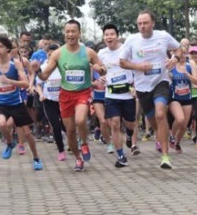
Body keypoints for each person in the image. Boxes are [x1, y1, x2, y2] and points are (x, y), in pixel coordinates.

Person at [38, 19, 106, 172]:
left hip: (83, 92)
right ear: (64, 34)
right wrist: (35, 70)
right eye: (67, 31)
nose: (70, 34)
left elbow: (103, 69)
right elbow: (44, 76)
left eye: (73, 31)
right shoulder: (58, 53)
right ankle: (78, 158)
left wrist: (99, 69)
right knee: (69, 131)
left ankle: (84, 143)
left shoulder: (88, 52)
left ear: (79, 33)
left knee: (80, 119)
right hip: (65, 95)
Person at [119, 10, 181, 169]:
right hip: (142, 87)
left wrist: (175, 59)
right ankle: (163, 139)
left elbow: (179, 49)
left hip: (161, 81)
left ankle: (166, 157)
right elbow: (122, 62)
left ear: (152, 23)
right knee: (154, 122)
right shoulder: (132, 40)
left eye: (145, 23)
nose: (142, 26)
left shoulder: (163, 36)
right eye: (139, 23)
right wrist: (138, 66)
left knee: (161, 114)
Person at [0, 34, 43, 170]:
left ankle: (36, 158)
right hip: (1, 102)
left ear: (8, 48)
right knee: (1, 124)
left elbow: (26, 84)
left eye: (1, 47)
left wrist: (10, 81)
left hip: (16, 103)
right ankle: (10, 143)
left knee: (27, 133)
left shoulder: (16, 63)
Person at [98, 24, 140, 168]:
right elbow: (100, 70)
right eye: (106, 35)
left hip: (127, 93)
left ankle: (129, 134)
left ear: (117, 36)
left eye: (112, 34)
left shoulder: (126, 50)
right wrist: (101, 77)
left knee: (130, 124)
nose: (109, 37)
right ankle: (121, 156)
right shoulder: (101, 53)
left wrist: (135, 85)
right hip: (111, 94)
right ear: (104, 37)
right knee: (115, 123)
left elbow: (136, 67)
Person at [35, 43, 67, 161]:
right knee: (56, 126)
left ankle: (74, 141)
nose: (52, 56)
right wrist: (41, 94)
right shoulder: (43, 68)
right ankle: (61, 150)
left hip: (63, 100)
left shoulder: (63, 66)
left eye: (54, 54)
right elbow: (38, 84)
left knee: (66, 125)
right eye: (49, 54)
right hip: (48, 101)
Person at [168, 44, 197, 154]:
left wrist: (187, 74)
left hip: (187, 97)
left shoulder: (191, 64)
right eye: (180, 54)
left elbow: (195, 81)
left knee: (184, 125)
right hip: (174, 97)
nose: (182, 56)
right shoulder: (171, 65)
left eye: (184, 53)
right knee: (179, 119)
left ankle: (177, 143)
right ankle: (171, 136)